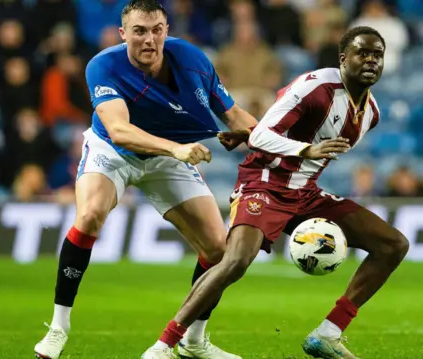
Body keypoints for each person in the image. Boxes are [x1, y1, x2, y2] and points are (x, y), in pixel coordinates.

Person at [144, 26, 410, 359]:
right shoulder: (315, 87)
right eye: (363, 53)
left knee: (393, 244)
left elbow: (260, 133)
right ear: (344, 59)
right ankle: (163, 346)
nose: (371, 60)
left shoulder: (370, 113)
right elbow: (261, 138)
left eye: (377, 54)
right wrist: (305, 150)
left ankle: (328, 334)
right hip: (264, 183)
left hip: (305, 194)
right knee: (236, 260)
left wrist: (275, 144)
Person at [33, 1, 257, 359]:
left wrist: (278, 145)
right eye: (139, 31)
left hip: (168, 158)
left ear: (167, 31)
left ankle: (194, 340)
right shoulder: (103, 65)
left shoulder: (192, 60)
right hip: (113, 153)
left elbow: (233, 115)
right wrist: (177, 149)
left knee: (218, 250)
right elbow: (119, 131)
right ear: (124, 34)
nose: (149, 39)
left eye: (156, 30)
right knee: (90, 215)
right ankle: (58, 328)